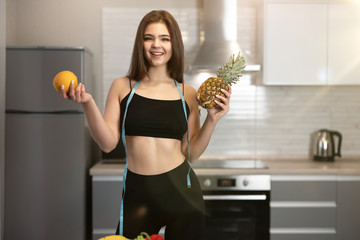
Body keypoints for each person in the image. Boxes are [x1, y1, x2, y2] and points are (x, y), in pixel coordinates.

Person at [61, 10, 231, 240]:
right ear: (140, 43)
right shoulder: (123, 86)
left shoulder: (187, 93)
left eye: (164, 38)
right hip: (138, 193)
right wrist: (88, 103)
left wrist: (212, 120)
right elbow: (108, 143)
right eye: (149, 37)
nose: (156, 45)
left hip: (182, 192)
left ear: (174, 44)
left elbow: (190, 153)